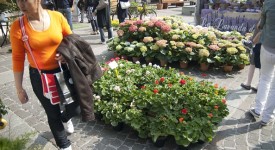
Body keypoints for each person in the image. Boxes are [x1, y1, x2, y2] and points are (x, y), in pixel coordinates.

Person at [10, 0, 80, 149]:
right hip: (40, 77)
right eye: (18, 0)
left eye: (24, 0)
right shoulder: (18, 26)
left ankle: (66, 117)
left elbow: (71, 39)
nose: (21, 5)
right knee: (52, 114)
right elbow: (17, 58)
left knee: (76, 106)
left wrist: (65, 52)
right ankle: (64, 145)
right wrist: (19, 88)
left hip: (64, 71)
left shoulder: (57, 17)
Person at [249, 0, 275, 126]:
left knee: (265, 79)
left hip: (268, 46)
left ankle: (258, 110)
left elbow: (260, 25)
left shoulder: (269, 3)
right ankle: (267, 117)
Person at [241, 21, 262, 92]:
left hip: (260, 44)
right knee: (262, 66)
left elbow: (260, 27)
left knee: (255, 63)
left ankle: (249, 84)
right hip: (267, 45)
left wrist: (252, 42)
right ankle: (258, 85)